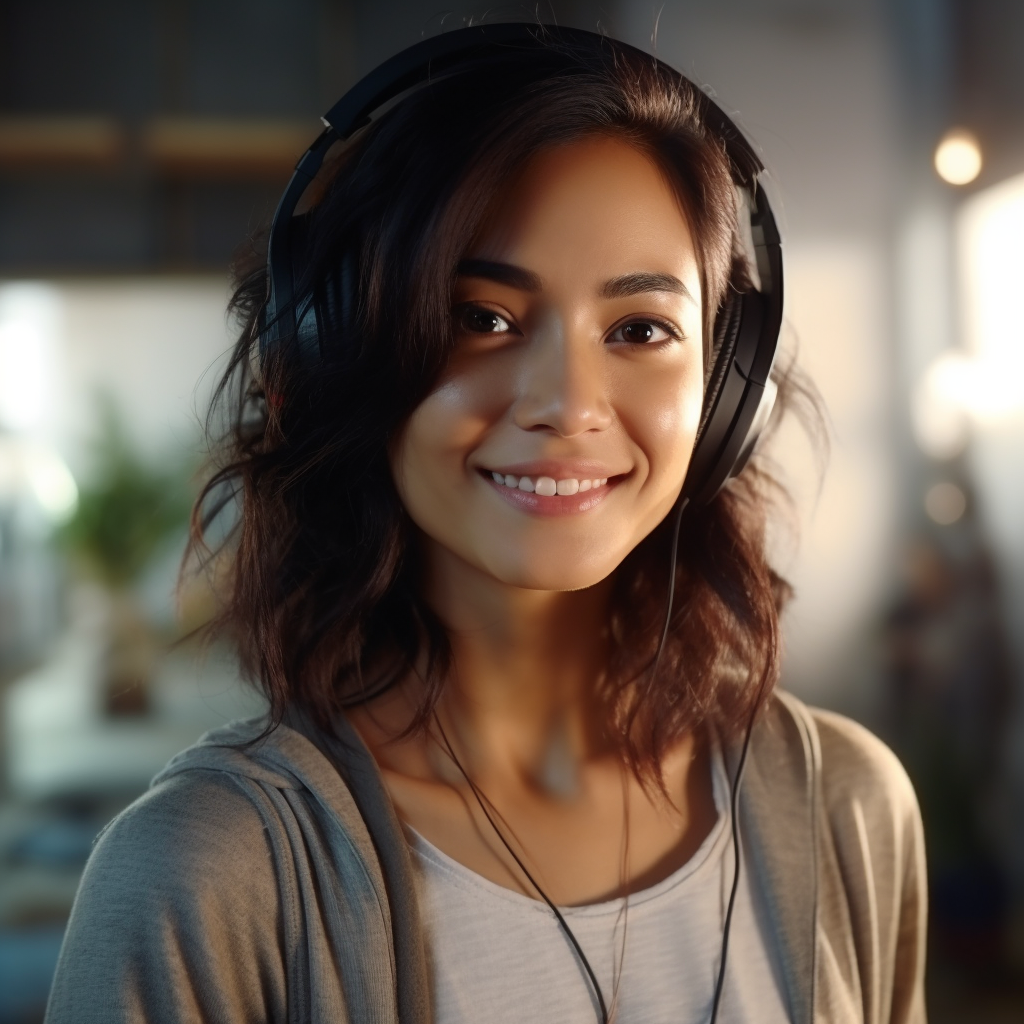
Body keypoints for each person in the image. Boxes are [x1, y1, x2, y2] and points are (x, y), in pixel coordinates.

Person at [46, 24, 927, 1024]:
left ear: (728, 394)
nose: (567, 402)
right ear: (337, 358)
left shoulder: (848, 806)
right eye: (483, 317)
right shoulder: (205, 875)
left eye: (639, 329)